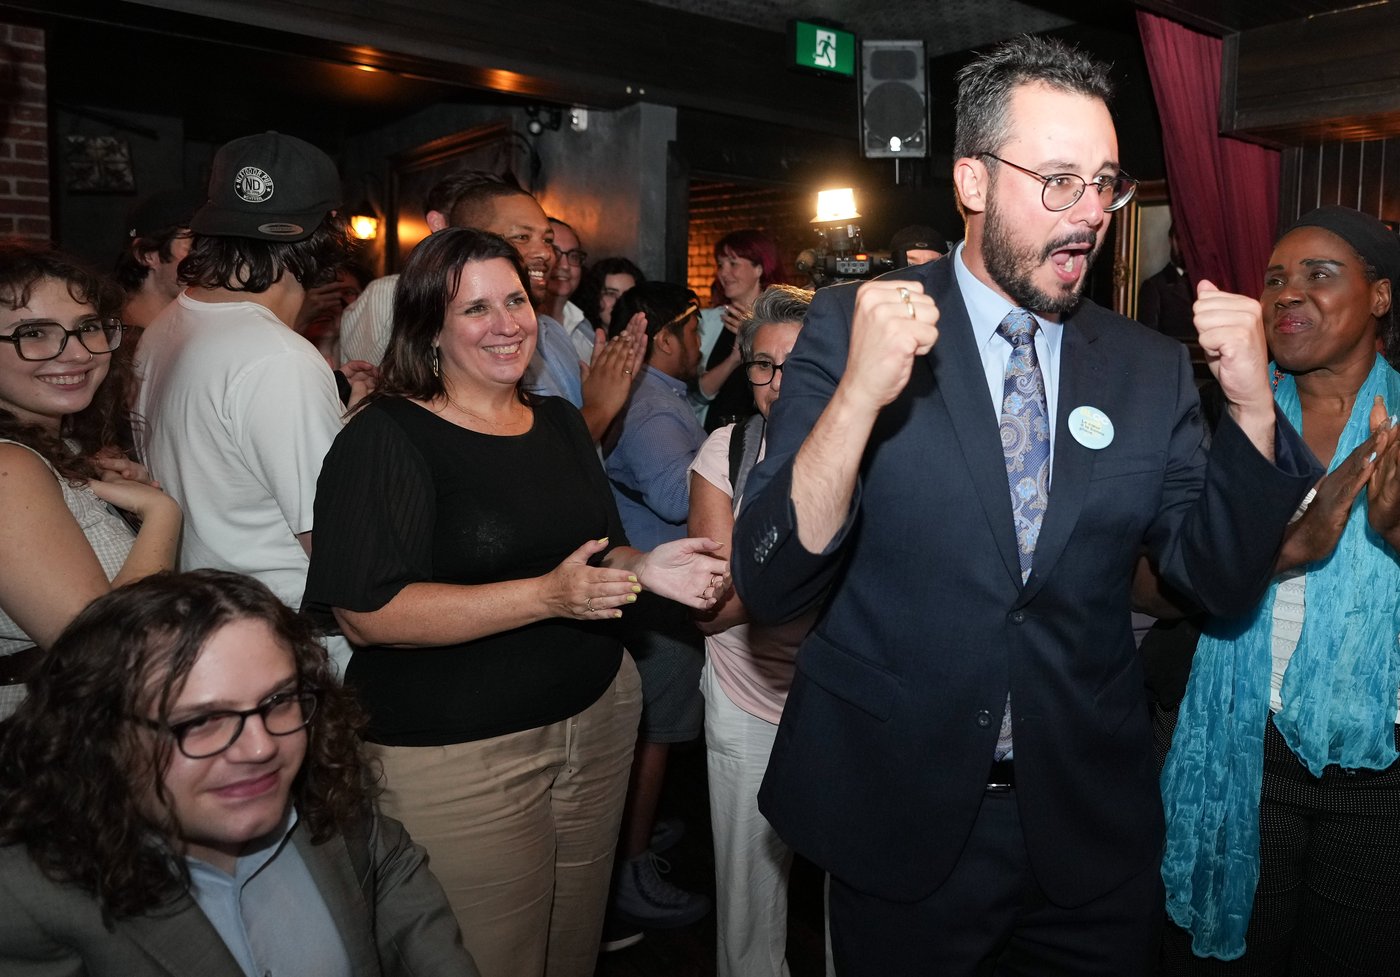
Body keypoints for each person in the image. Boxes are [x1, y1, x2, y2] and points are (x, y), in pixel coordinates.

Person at [731, 34, 1320, 976]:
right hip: (901, 816)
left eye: (1105, 183)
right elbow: (770, 577)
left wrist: (1251, 405)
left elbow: (1211, 576)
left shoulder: (1146, 366)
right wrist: (855, 399)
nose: (1089, 214)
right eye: (1057, 181)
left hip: (1085, 829)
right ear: (971, 180)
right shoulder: (854, 324)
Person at [303, 227, 727, 977]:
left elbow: (602, 549)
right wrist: (545, 596)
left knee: (570, 950)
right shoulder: (386, 438)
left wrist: (649, 566)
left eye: (515, 301)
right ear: (430, 325)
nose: (506, 323)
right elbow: (367, 614)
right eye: (475, 309)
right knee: (486, 959)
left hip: (593, 723)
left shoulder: (561, 422)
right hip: (461, 753)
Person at [0, 569, 480, 977]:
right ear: (99, 735)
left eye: (278, 701)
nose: (261, 747)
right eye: (201, 721)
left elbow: (388, 868)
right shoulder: (27, 905)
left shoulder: (322, 799)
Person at [1159, 206, 1400, 973]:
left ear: (1382, 296)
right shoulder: (1223, 414)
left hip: (1380, 761)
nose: (1288, 294)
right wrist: (1286, 549)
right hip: (1241, 747)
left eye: (1319, 274)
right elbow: (1158, 580)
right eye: (1274, 279)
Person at [134, 131, 362, 645]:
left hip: (210, 624)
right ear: (326, 236)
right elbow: (335, 547)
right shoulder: (278, 358)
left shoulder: (168, 324)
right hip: (291, 640)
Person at [688, 284, 826, 977]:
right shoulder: (729, 448)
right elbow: (714, 603)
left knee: (853, 891)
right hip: (747, 694)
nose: (779, 383)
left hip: (842, 699)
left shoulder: (875, 451)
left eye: (799, 365)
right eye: (764, 366)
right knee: (749, 894)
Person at [0, 241, 181, 721]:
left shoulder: (61, 451)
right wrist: (162, 515)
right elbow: (107, 657)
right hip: (41, 759)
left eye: (88, 328)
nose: (77, 353)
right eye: (33, 333)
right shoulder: (9, 468)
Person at [600, 281, 713, 934]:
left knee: (654, 733)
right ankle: (631, 873)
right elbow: (676, 495)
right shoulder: (653, 409)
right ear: (664, 336)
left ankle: (634, 842)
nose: (700, 342)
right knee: (655, 736)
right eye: (693, 331)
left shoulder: (658, 399)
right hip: (655, 596)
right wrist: (729, 460)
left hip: (650, 585)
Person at [697, 229, 786, 430]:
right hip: (714, 436)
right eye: (720, 265)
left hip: (762, 433)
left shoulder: (780, 320)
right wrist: (733, 360)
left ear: (759, 269)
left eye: (733, 264)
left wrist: (751, 336)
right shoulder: (709, 321)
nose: (723, 273)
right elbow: (700, 393)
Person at [114, 188, 202, 331]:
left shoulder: (189, 333)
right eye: (194, 246)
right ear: (146, 255)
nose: (208, 258)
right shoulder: (119, 343)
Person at [544, 217, 594, 363]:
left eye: (573, 256)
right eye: (555, 253)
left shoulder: (583, 325)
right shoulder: (521, 329)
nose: (565, 266)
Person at [575, 256, 645, 333]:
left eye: (628, 294)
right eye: (611, 294)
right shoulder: (578, 339)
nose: (619, 301)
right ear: (594, 297)